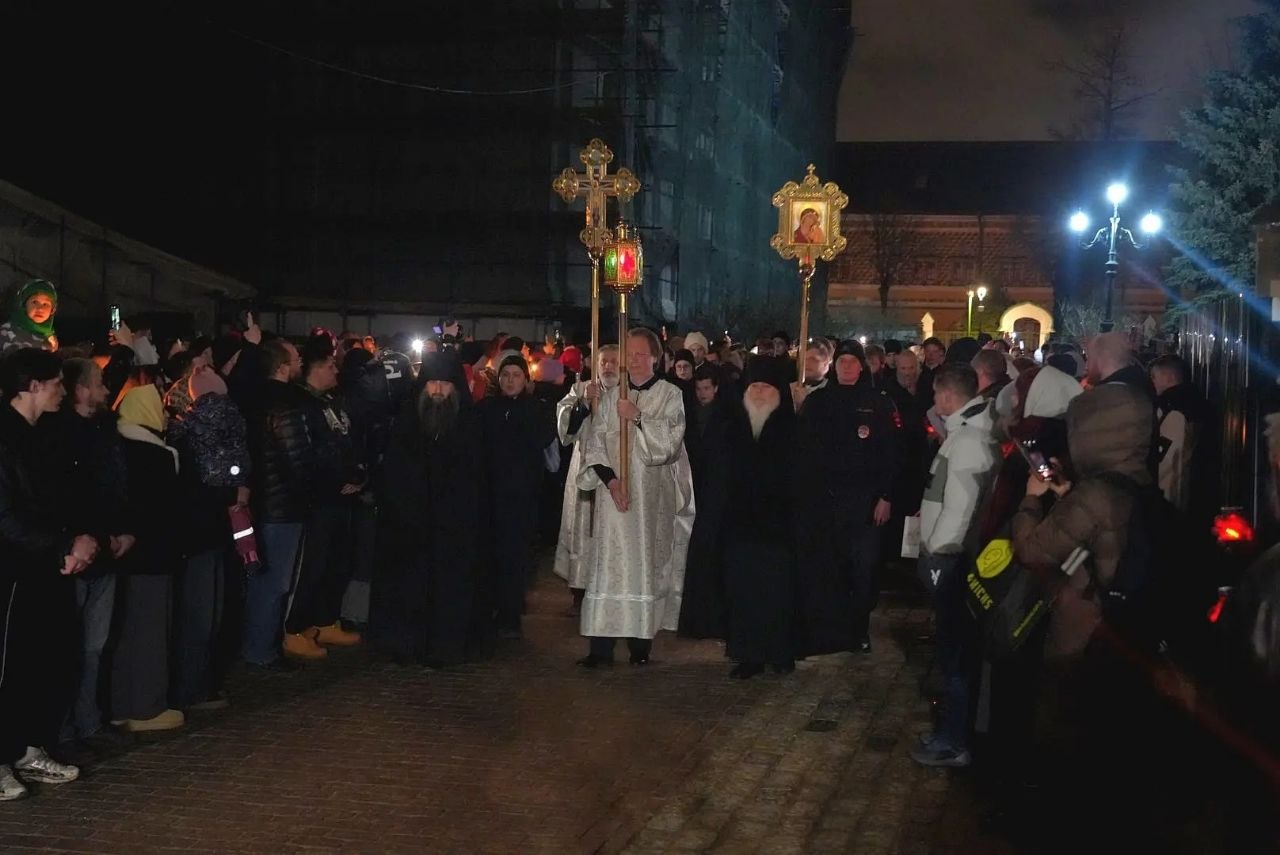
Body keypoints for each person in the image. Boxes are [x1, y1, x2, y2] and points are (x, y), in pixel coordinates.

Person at [0, 348, 96, 800]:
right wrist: (62, 546)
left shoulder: (41, 436)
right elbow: (7, 516)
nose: (63, 389)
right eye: (56, 381)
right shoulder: (6, 438)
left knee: (41, 661)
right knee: (8, 665)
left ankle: (26, 747)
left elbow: (55, 500)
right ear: (33, 385)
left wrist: (75, 541)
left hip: (41, 566)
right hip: (13, 572)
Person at [575, 328, 695, 667]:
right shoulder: (613, 396)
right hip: (614, 498)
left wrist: (639, 418)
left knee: (643, 567)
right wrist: (611, 482)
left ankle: (640, 644)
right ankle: (600, 647)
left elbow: (670, 444)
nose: (634, 359)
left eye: (641, 353)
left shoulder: (670, 394)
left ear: (656, 357)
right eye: (630, 353)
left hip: (648, 501)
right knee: (608, 568)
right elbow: (596, 441)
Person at [38, 358, 133, 742]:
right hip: (78, 552)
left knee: (94, 645)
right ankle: (62, 728)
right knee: (71, 646)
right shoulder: (61, 436)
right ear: (81, 390)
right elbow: (74, 495)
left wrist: (123, 530)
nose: (106, 391)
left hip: (102, 548)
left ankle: (87, 719)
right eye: (97, 384)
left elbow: (115, 487)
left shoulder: (101, 430)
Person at [911, 367, 1001, 767]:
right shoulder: (966, 434)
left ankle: (952, 741)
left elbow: (959, 507)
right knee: (953, 653)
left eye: (937, 394)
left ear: (948, 396)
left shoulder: (967, 442)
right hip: (949, 556)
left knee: (955, 656)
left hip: (950, 558)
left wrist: (937, 550)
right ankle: (950, 733)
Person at [370, 352, 484, 666]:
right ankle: (405, 643)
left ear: (455, 389)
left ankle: (446, 645)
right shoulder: (407, 426)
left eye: (443, 385)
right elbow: (394, 475)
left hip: (453, 531)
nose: (436, 391)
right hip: (410, 528)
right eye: (431, 383)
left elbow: (475, 480)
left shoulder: (470, 428)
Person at [795, 340, 899, 655]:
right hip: (827, 500)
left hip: (865, 502)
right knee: (831, 566)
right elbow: (804, 450)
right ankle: (831, 630)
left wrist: (886, 496)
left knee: (863, 569)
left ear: (861, 366)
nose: (847, 367)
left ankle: (859, 628)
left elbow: (891, 455)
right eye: (842, 362)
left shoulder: (878, 403)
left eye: (853, 362)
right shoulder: (818, 401)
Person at [165, 366, 249, 713]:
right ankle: (203, 685)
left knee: (194, 613)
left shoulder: (183, 430)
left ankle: (188, 689)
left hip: (193, 531)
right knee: (212, 610)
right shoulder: (235, 426)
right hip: (220, 528)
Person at [281, 339, 365, 657]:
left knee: (338, 561)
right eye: (330, 365)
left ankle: (326, 619)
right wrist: (335, 480)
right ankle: (296, 627)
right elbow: (311, 453)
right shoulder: (302, 405)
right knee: (314, 565)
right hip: (320, 499)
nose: (336, 370)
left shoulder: (332, 401)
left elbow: (348, 440)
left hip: (343, 497)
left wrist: (358, 474)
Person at [111, 384, 186, 733]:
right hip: (154, 556)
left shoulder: (115, 446)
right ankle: (146, 706)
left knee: (125, 632)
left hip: (123, 557)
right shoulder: (156, 455)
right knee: (151, 631)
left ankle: (121, 704)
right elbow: (167, 510)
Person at [721, 358, 798, 678]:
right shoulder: (732, 423)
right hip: (741, 527)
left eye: (767, 387)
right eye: (755, 386)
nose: (760, 392)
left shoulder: (792, 425)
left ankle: (780, 652)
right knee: (744, 593)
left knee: (778, 594)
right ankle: (748, 654)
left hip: (779, 528)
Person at [243, 338, 316, 667]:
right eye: (296, 358)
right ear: (283, 366)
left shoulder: (251, 397)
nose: (300, 363)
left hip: (259, 500)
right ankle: (262, 650)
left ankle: (255, 645)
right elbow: (296, 456)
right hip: (281, 505)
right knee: (275, 582)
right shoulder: (287, 403)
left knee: (259, 577)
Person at [477, 353, 556, 639]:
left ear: (526, 379)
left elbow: (544, 440)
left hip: (521, 497)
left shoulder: (535, 409)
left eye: (516, 376)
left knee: (515, 557)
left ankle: (510, 615)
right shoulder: (486, 409)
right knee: (490, 556)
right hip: (490, 496)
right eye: (506, 375)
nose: (510, 381)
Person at [553, 346, 620, 613]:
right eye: (604, 362)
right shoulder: (581, 389)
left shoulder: (630, 391)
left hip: (615, 470)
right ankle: (580, 591)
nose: (608, 367)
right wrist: (582, 405)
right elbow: (565, 433)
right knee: (583, 527)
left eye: (615, 361)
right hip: (584, 466)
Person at [1149, 355, 1206, 514]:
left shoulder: (1173, 413)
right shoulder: (1195, 406)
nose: (1152, 382)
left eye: (1154, 377)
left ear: (1169, 377)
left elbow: (1168, 464)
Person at [0, 278, 60, 355]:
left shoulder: (50, 339)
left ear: (52, 310)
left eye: (46, 304)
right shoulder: (6, 332)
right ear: (23, 304)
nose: (40, 309)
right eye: (35, 302)